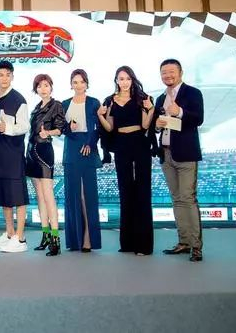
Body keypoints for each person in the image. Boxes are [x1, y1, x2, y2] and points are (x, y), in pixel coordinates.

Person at [98, 66, 155, 256]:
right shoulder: (110, 100)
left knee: (142, 191)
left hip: (139, 144)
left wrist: (151, 109)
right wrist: (99, 115)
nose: (124, 82)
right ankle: (128, 243)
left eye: (128, 78)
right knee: (125, 191)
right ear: (116, 80)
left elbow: (146, 125)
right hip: (121, 146)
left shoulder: (142, 98)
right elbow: (109, 127)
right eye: (121, 79)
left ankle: (143, 245)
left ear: (133, 80)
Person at [154, 59, 205, 262]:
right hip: (166, 154)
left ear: (180, 72)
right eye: (164, 72)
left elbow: (198, 118)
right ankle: (184, 242)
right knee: (176, 199)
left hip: (186, 154)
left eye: (171, 71)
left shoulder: (193, 93)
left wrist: (180, 112)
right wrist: (156, 126)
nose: (168, 75)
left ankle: (196, 246)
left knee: (187, 198)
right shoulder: (160, 98)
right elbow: (157, 125)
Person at [0, 61, 30, 253]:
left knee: (18, 197)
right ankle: (9, 233)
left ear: (12, 76)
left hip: (13, 154)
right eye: (1, 74)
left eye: (7, 74)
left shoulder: (19, 99)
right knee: (4, 196)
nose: (4, 78)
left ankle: (20, 238)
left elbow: (25, 126)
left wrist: (8, 128)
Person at [62, 69, 103, 253]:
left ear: (87, 83)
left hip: (87, 147)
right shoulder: (64, 104)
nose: (78, 85)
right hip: (71, 148)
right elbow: (60, 128)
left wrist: (90, 144)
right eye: (75, 82)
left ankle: (88, 237)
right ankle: (74, 239)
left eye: (82, 82)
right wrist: (68, 128)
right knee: (73, 195)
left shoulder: (94, 102)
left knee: (87, 195)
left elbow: (98, 127)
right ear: (71, 84)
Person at [26, 74, 65, 256]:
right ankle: (46, 235)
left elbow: (60, 128)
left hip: (44, 152)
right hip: (31, 152)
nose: (43, 89)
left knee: (49, 196)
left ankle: (56, 239)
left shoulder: (56, 105)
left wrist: (47, 132)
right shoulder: (36, 108)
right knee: (40, 197)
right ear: (36, 89)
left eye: (46, 85)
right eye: (39, 86)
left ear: (51, 87)